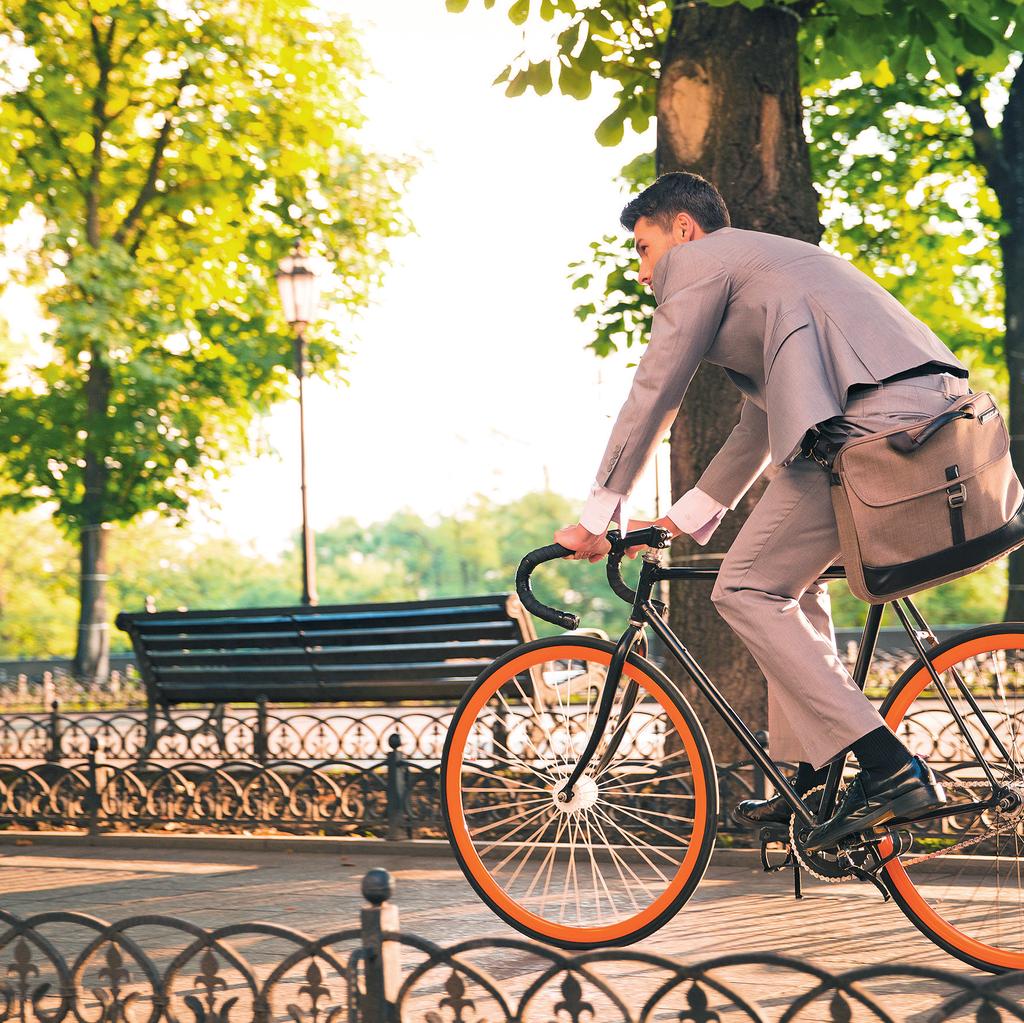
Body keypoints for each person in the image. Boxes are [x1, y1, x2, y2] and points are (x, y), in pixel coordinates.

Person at [554, 172, 966, 851]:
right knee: (785, 588)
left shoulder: (702, 263)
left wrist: (598, 514)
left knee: (744, 587)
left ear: (683, 231)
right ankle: (810, 777)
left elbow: (657, 386)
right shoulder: (763, 270)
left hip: (875, 430)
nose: (642, 270)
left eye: (643, 247)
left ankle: (892, 769)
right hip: (910, 422)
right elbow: (759, 421)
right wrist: (681, 519)